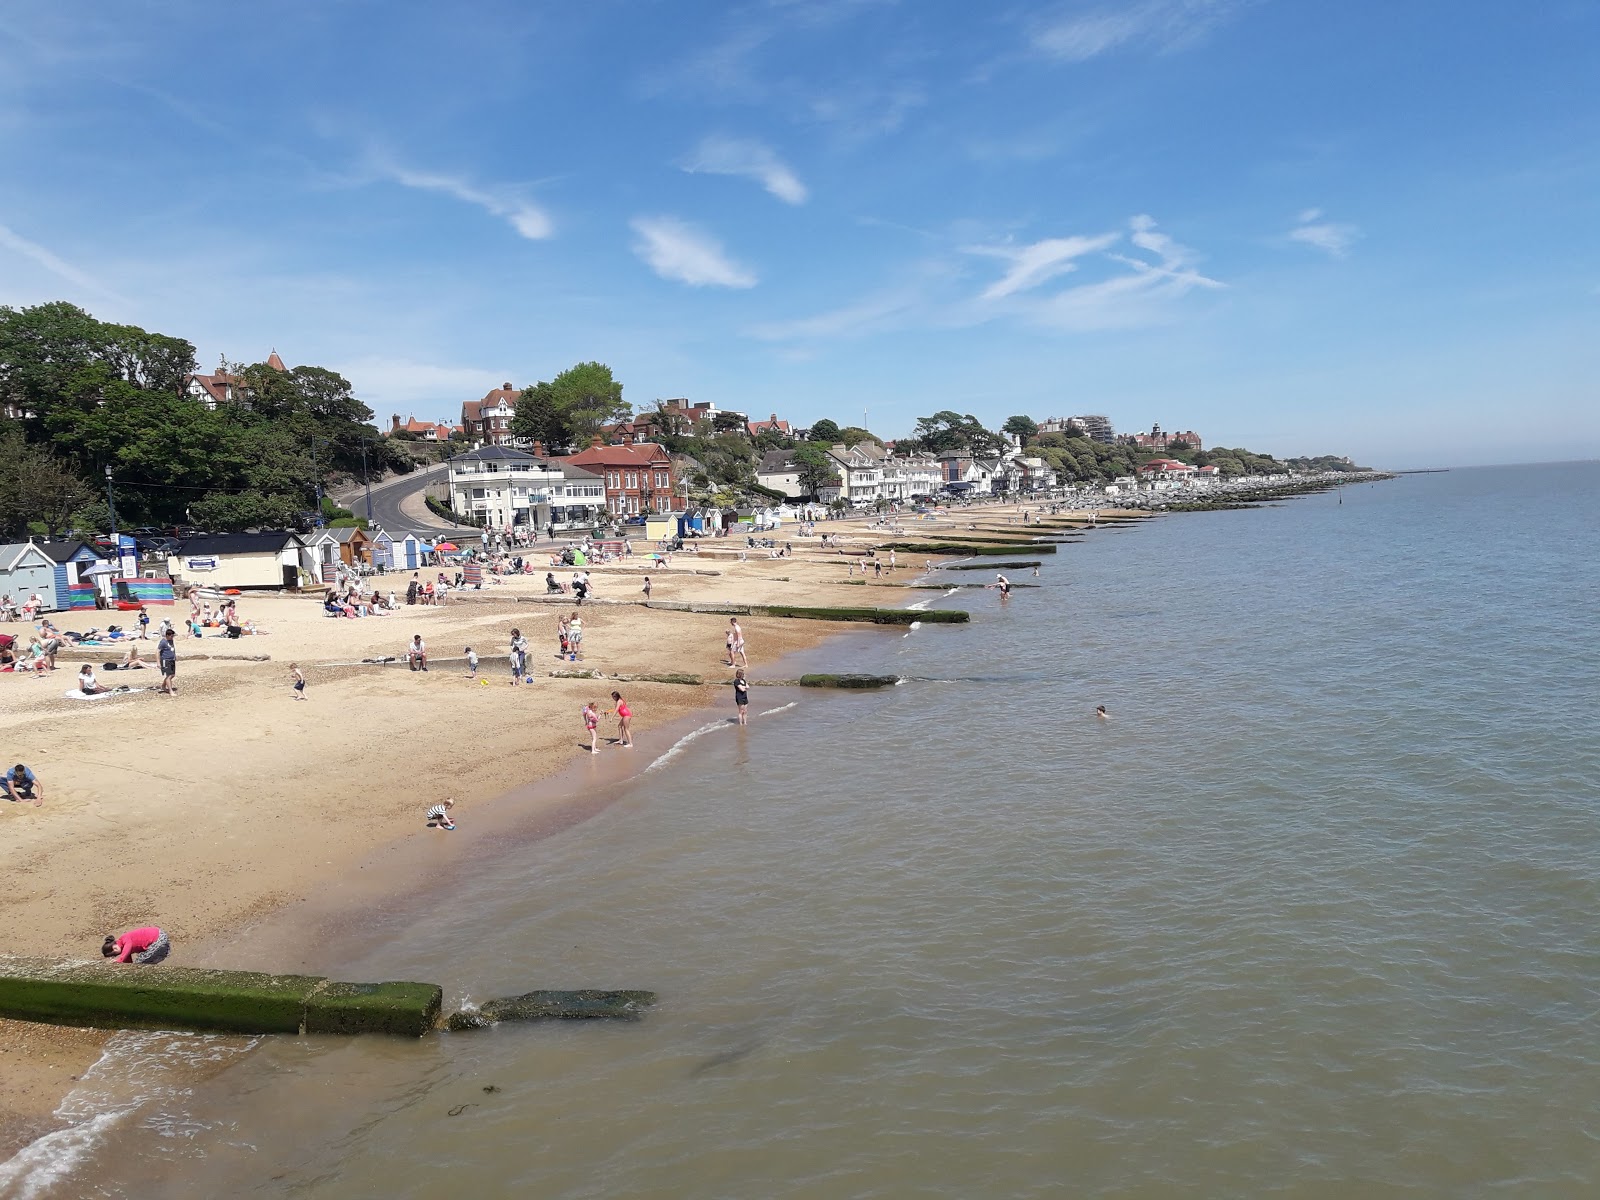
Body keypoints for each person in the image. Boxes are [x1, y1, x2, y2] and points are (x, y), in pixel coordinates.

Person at [102, 927, 169, 964]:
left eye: (114, 948)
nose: (115, 950)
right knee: (146, 962)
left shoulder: (124, 938)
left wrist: (120, 960)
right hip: (157, 941)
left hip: (158, 938)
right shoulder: (125, 952)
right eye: (114, 953)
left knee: (139, 963)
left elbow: (128, 946)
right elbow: (128, 963)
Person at [158, 628, 178, 695]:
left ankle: (163, 686)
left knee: (172, 675)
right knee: (169, 676)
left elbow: (172, 648)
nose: (172, 637)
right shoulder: (163, 642)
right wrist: (158, 662)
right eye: (171, 636)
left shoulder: (171, 640)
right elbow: (157, 651)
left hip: (172, 659)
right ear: (167, 635)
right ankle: (170, 690)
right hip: (165, 660)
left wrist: (174, 655)